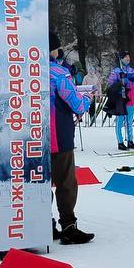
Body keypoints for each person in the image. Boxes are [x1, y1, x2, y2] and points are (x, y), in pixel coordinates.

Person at [48, 31, 94, 245]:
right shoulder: (59, 72)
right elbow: (75, 103)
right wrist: (86, 99)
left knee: (39, 182)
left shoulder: (24, 72)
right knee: (65, 181)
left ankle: (43, 224)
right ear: (53, 49)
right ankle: (68, 226)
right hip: (59, 136)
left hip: (30, 138)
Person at [104, 52, 134, 150]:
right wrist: (123, 81)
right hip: (121, 99)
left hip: (130, 99)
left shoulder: (132, 70)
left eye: (129, 57)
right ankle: (120, 142)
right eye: (125, 57)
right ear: (121, 59)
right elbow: (111, 84)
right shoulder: (116, 71)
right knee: (120, 121)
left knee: (129, 121)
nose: (128, 59)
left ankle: (130, 141)